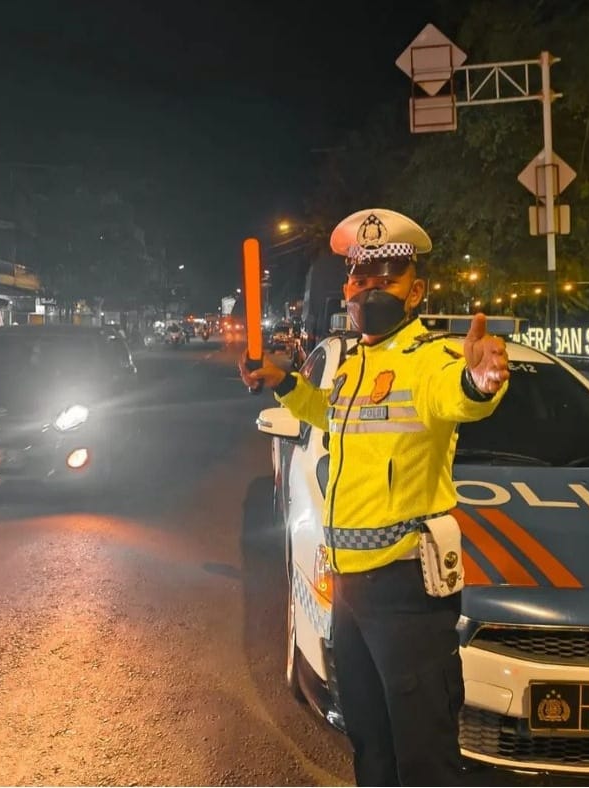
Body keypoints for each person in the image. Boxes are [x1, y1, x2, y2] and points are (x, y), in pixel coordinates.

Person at [239, 208, 509, 785]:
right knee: (369, 744)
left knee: (423, 756)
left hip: (406, 591)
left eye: (387, 275)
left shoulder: (431, 361)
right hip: (351, 590)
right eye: (361, 277)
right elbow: (328, 417)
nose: (370, 288)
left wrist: (479, 380)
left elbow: (461, 395)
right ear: (347, 288)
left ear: (417, 290)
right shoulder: (352, 365)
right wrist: (284, 382)